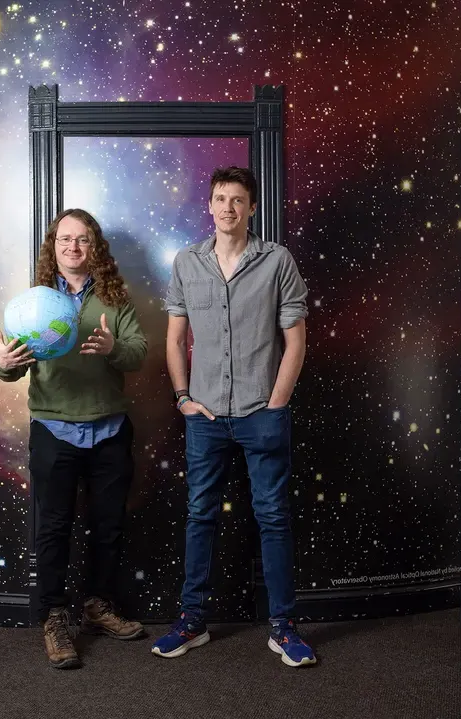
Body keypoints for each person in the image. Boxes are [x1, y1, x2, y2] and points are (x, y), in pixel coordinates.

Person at [152, 166, 317, 667]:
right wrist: (183, 398)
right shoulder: (186, 263)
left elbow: (296, 340)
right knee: (200, 516)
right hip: (204, 416)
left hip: (260, 413)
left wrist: (277, 402)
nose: (228, 207)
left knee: (273, 517)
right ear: (210, 206)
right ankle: (192, 621)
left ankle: (283, 627)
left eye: (238, 200)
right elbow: (175, 339)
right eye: (220, 198)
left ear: (251, 208)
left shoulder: (277, 262)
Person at [0, 208, 148, 670]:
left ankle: (99, 607)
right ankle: (55, 617)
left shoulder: (116, 300)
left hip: (109, 430)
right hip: (54, 428)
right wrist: (3, 361)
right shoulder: (33, 303)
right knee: (54, 529)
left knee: (108, 526)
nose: (73, 247)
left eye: (82, 240)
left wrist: (112, 348)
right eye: (65, 239)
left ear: (94, 246)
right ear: (53, 246)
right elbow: (9, 369)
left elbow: (138, 353)